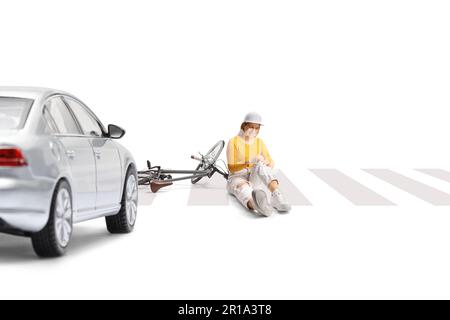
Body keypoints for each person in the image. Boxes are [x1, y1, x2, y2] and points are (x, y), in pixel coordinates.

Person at [226, 112, 291, 216]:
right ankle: (256, 205)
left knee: (260, 164)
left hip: (253, 176)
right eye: (251, 127)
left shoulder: (259, 142)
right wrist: (248, 163)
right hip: (237, 177)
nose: (254, 130)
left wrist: (268, 163)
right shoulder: (233, 141)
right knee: (244, 188)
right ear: (244, 125)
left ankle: (276, 195)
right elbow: (231, 167)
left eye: (257, 128)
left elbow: (271, 161)